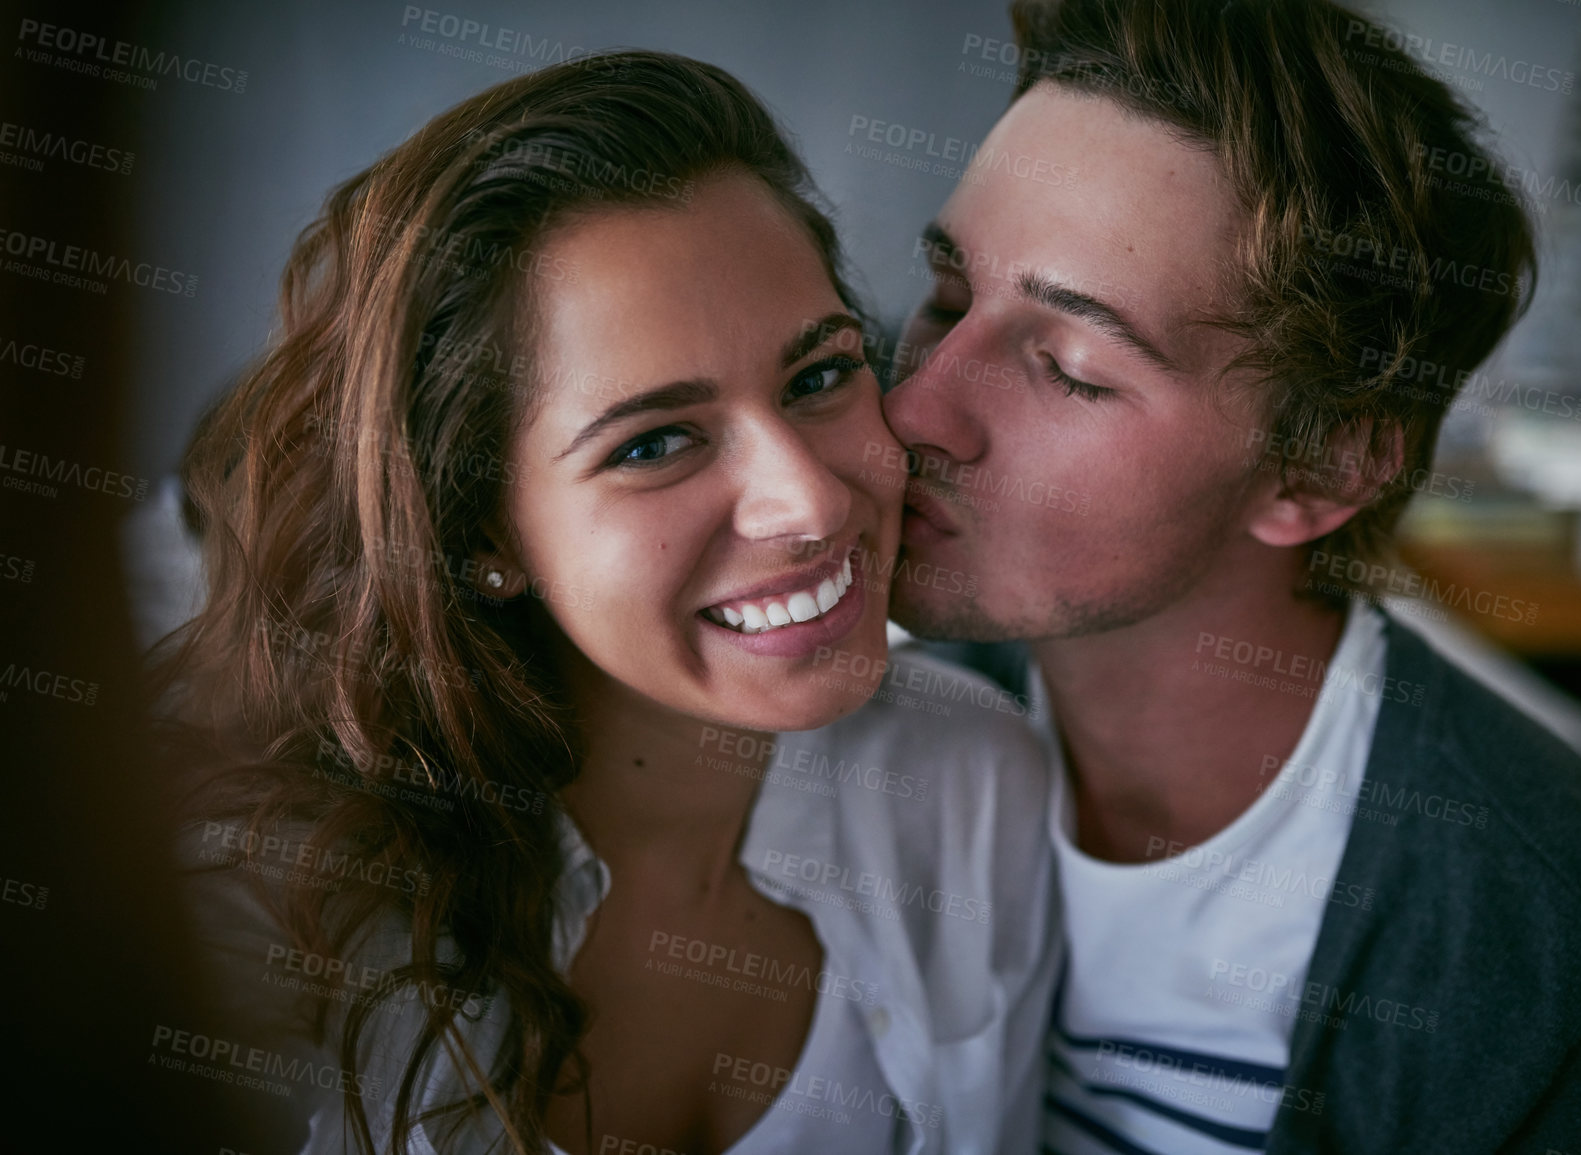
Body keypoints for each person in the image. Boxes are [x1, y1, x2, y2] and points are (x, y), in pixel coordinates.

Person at [159, 51, 1056, 1155]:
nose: (812, 502)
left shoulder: (973, 788)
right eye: (657, 443)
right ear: (481, 533)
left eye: (819, 375)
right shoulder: (256, 915)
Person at [881, 0, 1581, 1151]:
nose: (912, 407)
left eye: (1071, 369)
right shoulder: (866, 729)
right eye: (943, 300)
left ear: (1321, 468)